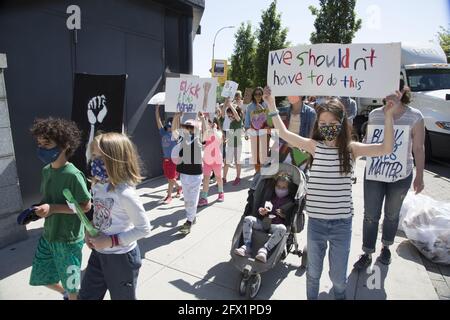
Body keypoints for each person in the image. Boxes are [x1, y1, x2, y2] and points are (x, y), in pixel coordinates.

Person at [263, 85, 402, 300]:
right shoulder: (313, 146)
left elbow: (386, 148)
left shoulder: (352, 149)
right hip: (316, 224)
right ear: (318, 125)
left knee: (338, 279)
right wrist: (271, 103)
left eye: (333, 123)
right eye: (323, 123)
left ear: (343, 124)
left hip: (341, 225)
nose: (328, 127)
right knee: (313, 275)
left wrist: (389, 116)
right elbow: (282, 132)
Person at [353, 83, 425, 270]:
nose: (390, 94)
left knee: (392, 215)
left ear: (403, 92)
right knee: (370, 215)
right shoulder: (375, 114)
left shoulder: (415, 116)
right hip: (375, 174)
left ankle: (386, 246)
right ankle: (367, 251)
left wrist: (420, 176)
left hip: (401, 176)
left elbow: (418, 148)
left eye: (395, 90)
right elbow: (370, 144)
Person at [79, 133, 151, 300]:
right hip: (99, 254)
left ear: (116, 159)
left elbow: (144, 229)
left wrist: (110, 241)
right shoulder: (98, 186)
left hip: (122, 259)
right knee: (87, 296)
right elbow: (99, 216)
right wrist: (89, 231)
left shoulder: (125, 194)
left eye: (100, 157)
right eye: (94, 156)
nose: (94, 161)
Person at [29, 118, 92, 300]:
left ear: (64, 146)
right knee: (41, 276)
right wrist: (38, 210)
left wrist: (54, 208)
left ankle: (71, 295)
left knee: (71, 285)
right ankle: (67, 294)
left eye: (46, 144)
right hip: (49, 235)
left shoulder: (73, 175)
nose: (41, 148)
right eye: (39, 143)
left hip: (68, 239)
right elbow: (49, 200)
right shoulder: (46, 170)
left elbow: (85, 206)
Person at [234, 173, 295, 263]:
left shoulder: (290, 202)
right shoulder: (271, 198)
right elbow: (261, 209)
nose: (280, 190)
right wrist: (261, 211)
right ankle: (247, 246)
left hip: (275, 227)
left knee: (283, 228)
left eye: (283, 188)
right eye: (278, 186)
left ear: (288, 189)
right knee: (248, 219)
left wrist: (283, 216)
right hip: (264, 223)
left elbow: (290, 219)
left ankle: (265, 250)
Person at [172, 113, 203, 235]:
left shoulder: (198, 138)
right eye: (186, 127)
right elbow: (174, 131)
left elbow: (204, 132)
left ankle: (189, 221)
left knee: (193, 198)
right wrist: (176, 116)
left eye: (191, 128)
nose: (188, 129)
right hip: (184, 174)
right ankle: (191, 216)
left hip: (195, 175)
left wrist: (202, 119)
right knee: (187, 198)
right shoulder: (181, 138)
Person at [278, 96, 317, 168]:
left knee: (299, 176)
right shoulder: (283, 111)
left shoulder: (311, 113)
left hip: (301, 152)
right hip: (284, 151)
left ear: (301, 95)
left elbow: (312, 136)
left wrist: (308, 153)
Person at [155, 105, 182, 204]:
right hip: (166, 159)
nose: (169, 127)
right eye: (168, 125)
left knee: (170, 178)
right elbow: (158, 121)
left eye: (171, 126)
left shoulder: (176, 134)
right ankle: (179, 188)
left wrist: (177, 116)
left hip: (174, 159)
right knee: (170, 177)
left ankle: (169, 196)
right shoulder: (163, 133)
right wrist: (157, 110)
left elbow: (176, 125)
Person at [198, 112, 224, 206]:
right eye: (207, 122)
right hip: (207, 160)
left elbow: (218, 139)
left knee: (218, 177)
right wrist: (202, 119)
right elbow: (204, 137)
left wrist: (214, 129)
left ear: (214, 123)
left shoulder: (219, 133)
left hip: (217, 160)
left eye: (209, 122)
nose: (208, 123)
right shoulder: (206, 133)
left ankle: (221, 193)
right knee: (206, 178)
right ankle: (204, 197)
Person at [244, 87, 271, 173]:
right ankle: (257, 171)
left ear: (262, 95)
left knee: (264, 152)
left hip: (264, 132)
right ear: (253, 95)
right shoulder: (249, 107)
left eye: (260, 94)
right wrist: (248, 130)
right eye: (256, 94)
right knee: (256, 153)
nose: (258, 96)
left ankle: (264, 171)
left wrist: (262, 110)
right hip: (254, 132)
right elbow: (247, 121)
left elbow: (269, 119)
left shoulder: (266, 105)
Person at [221, 99, 244, 185]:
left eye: (231, 116)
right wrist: (226, 104)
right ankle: (224, 178)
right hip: (230, 144)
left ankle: (238, 177)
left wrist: (230, 105)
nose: (230, 117)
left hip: (238, 144)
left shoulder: (238, 120)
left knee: (237, 161)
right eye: (229, 116)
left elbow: (237, 116)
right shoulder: (228, 121)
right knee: (227, 161)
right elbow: (223, 114)